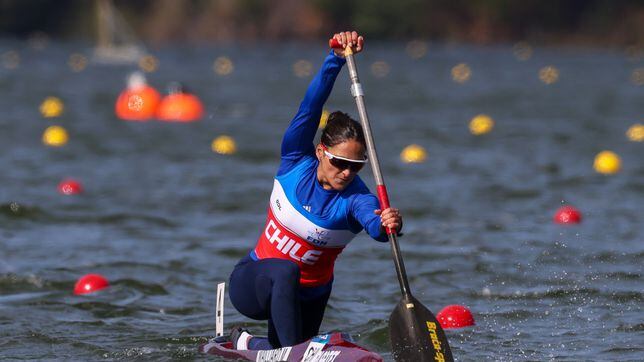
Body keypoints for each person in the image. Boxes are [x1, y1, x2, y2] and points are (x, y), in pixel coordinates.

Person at [228, 31, 403, 351]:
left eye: (357, 165)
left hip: (309, 299)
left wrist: (389, 223)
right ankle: (288, 352)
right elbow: (311, 106)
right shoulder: (296, 158)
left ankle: (247, 344)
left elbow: (375, 226)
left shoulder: (356, 198)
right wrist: (334, 60)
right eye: (340, 162)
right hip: (253, 284)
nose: (348, 172)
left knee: (285, 343)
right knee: (286, 270)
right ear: (321, 151)